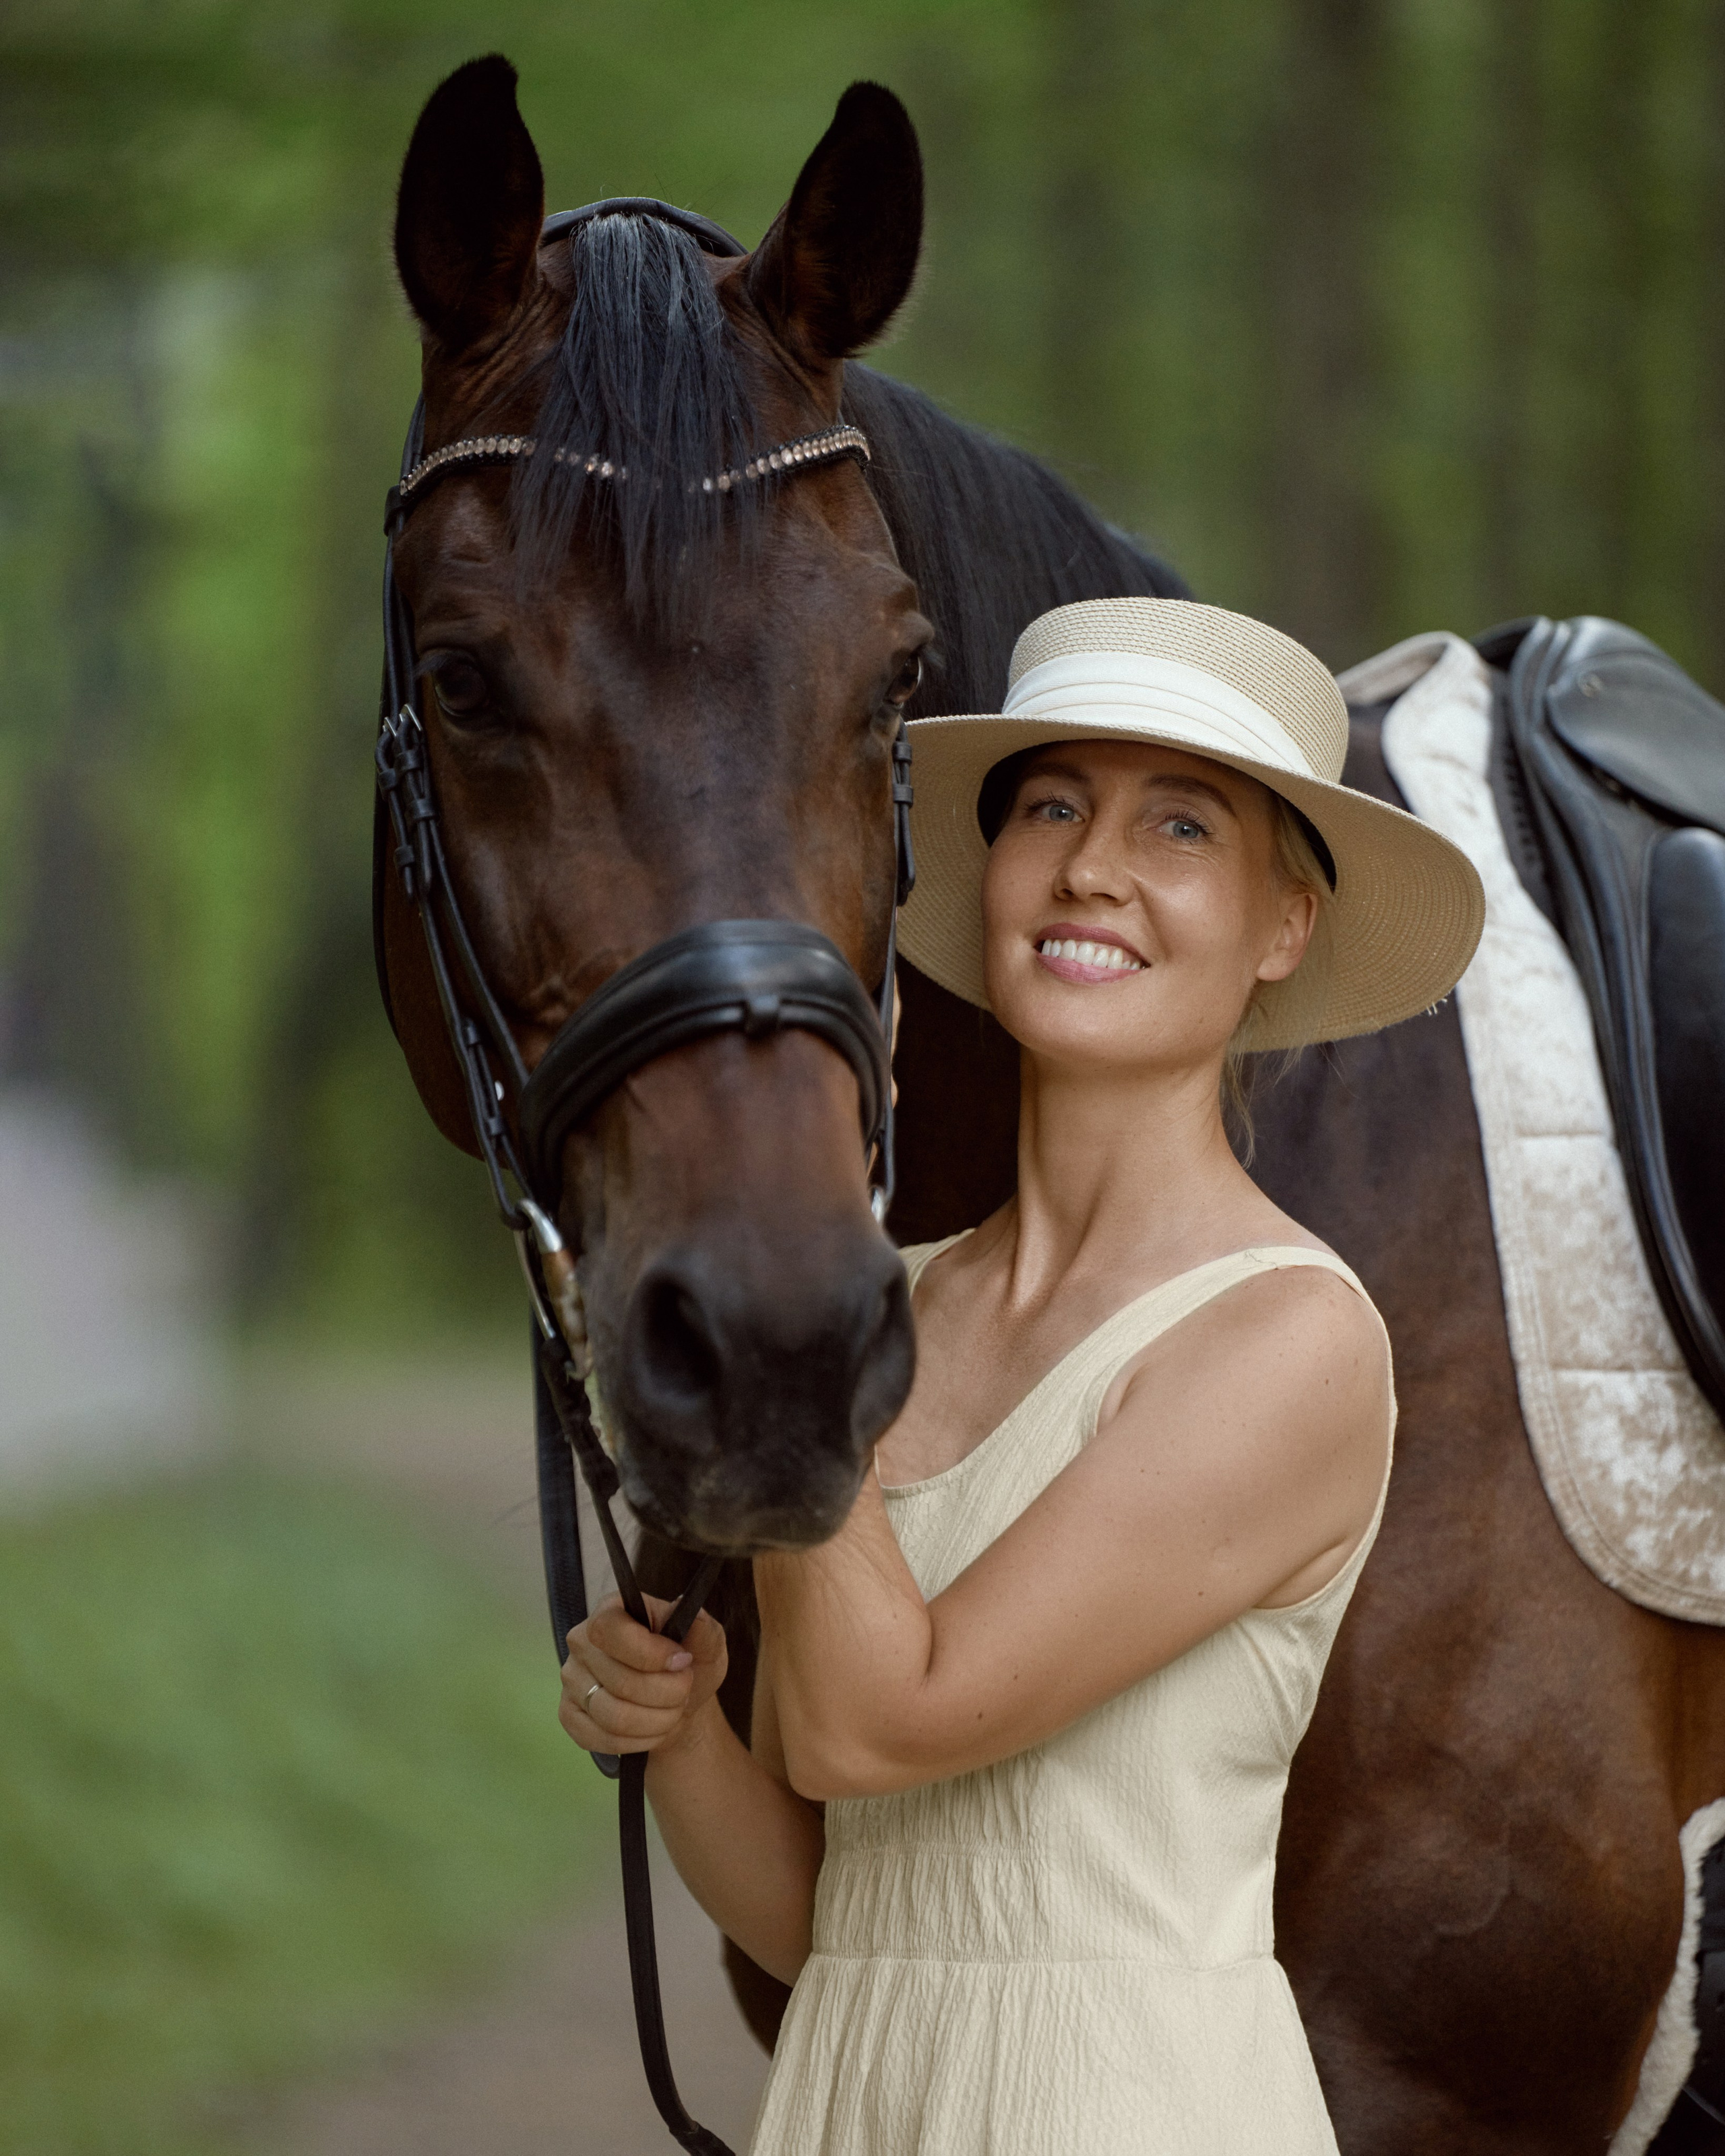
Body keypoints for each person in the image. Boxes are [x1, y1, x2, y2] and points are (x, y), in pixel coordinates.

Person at [558, 598, 1485, 2153]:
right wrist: (675, 1741)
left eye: (1175, 824)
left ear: (1281, 926)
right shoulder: (896, 1305)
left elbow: (878, 1720)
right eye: (1050, 804)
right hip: (861, 2101)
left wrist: (799, 1249)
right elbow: (822, 1915)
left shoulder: (1286, 1341)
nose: (1089, 867)